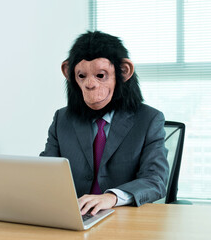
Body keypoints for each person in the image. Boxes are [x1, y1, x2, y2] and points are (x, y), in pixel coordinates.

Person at [40, 31, 168, 216]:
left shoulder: (149, 119)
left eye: (100, 75)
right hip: (75, 217)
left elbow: (155, 180)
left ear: (123, 72)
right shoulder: (63, 119)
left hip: (124, 219)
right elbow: (46, 172)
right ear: (70, 74)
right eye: (82, 76)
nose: (90, 85)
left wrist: (112, 197)